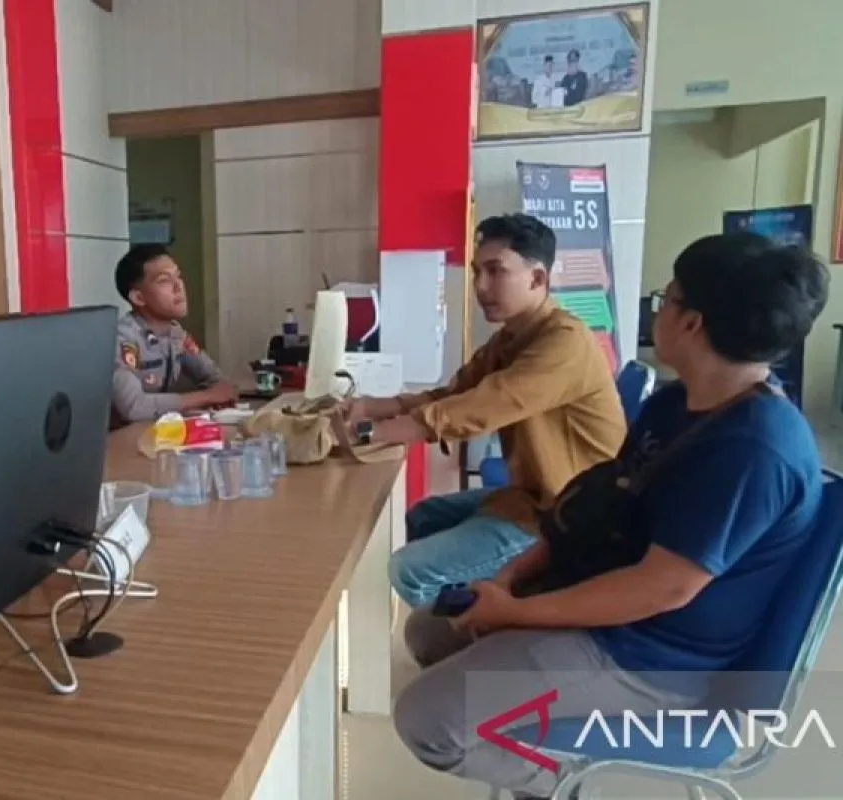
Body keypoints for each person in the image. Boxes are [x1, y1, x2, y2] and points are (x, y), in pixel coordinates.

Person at [392, 232, 828, 799]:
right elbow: (596, 511)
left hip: (655, 660)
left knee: (426, 720)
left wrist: (518, 613)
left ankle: (559, 786)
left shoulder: (754, 450)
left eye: (665, 299)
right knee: (430, 630)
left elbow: (661, 589)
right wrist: (511, 579)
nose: (656, 311)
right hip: (611, 607)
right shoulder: (675, 404)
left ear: (691, 322)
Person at [337, 214, 625, 607]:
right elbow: (455, 393)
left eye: (495, 271)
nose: (480, 286)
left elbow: (477, 408)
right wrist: (371, 406)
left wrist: (365, 434)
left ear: (537, 278)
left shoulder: (564, 343)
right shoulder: (510, 338)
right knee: (422, 518)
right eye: (476, 272)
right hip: (531, 495)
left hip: (568, 514)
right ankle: (468, 601)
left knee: (409, 569)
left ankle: (473, 629)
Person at [111, 244, 236, 425]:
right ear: (139, 298)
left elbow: (213, 377)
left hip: (154, 429)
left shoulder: (176, 333)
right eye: (164, 281)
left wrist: (222, 394)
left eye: (178, 276)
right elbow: (133, 407)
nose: (179, 287)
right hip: (117, 436)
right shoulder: (123, 339)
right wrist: (207, 396)